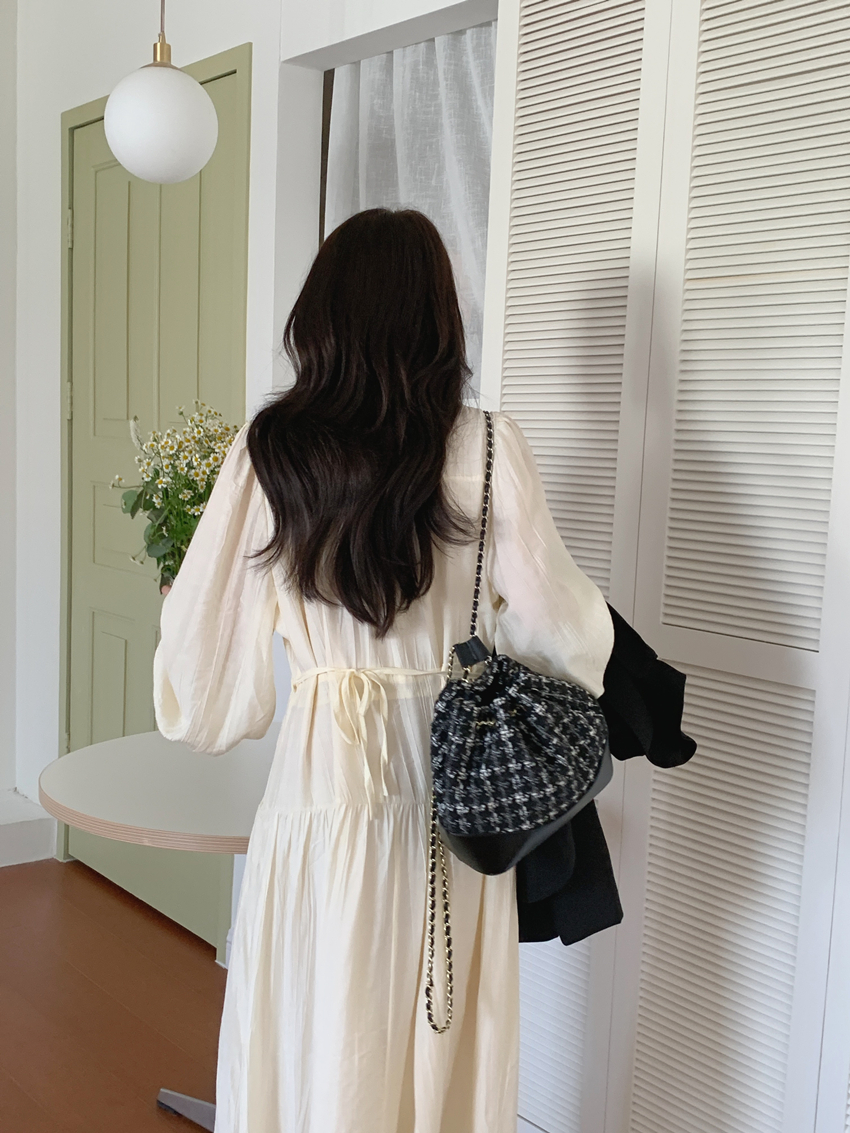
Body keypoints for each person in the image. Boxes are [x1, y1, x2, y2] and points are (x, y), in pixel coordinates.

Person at [153, 208, 614, 1133]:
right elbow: (568, 645)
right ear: (440, 317)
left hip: (320, 792)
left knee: (314, 1034)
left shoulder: (270, 453)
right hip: (457, 803)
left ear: (320, 316)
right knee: (438, 1041)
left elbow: (202, 699)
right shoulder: (490, 447)